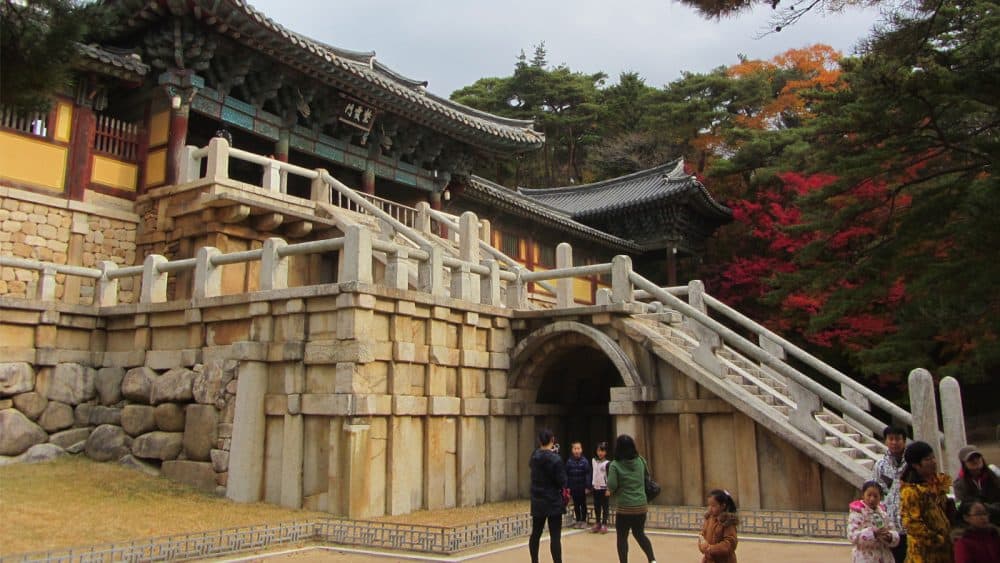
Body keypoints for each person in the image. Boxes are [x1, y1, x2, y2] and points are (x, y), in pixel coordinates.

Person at [899, 440, 953, 562]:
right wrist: (937, 539)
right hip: (924, 554)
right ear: (916, 465)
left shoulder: (938, 484)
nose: (933, 462)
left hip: (945, 552)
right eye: (928, 460)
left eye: (933, 458)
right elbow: (912, 523)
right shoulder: (910, 491)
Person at [607, 434, 657, 563]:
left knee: (622, 538)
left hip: (624, 508)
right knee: (639, 534)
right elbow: (647, 476)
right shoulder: (641, 460)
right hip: (641, 506)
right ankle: (652, 559)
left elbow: (612, 486)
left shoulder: (615, 465)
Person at [529, 429, 566, 563]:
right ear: (552, 440)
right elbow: (562, 481)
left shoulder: (534, 456)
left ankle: (534, 560)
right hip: (553, 500)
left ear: (540, 441)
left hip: (537, 498)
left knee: (536, 534)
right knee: (555, 536)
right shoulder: (556, 459)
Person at [872, 426, 908, 563]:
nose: (894, 442)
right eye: (891, 439)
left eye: (898, 439)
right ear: (886, 441)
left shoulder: (911, 464)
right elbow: (875, 491)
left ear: (904, 441)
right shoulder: (880, 465)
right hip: (890, 525)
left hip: (910, 523)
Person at [848, 480, 900, 562]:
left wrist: (889, 536)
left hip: (884, 557)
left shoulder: (883, 514)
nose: (872, 499)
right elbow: (852, 537)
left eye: (875, 496)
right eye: (869, 495)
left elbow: (893, 532)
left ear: (880, 497)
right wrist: (873, 533)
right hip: (865, 558)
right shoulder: (857, 513)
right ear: (863, 495)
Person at [953, 446, 1000, 527]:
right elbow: (961, 507)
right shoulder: (959, 485)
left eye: (977, 457)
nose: (975, 460)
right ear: (964, 463)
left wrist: (986, 508)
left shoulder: (995, 476)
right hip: (975, 527)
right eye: (970, 459)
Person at [699, 489, 739, 563]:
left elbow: (730, 543)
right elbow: (702, 535)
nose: (710, 508)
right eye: (709, 505)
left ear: (723, 506)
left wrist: (711, 548)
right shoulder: (709, 519)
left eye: (713, 506)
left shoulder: (727, 522)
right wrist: (702, 545)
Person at [565, 441, 592, 529]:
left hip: (582, 487)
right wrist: (567, 486)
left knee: (583, 504)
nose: (576, 450)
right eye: (575, 448)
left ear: (581, 450)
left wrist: (588, 486)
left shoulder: (585, 462)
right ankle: (578, 520)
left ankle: (584, 520)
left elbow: (588, 474)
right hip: (573, 487)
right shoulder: (569, 462)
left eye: (578, 448)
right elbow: (567, 474)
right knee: (576, 505)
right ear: (572, 450)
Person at [591, 441, 611, 534]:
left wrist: (609, 488)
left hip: (604, 488)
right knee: (596, 506)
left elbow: (609, 477)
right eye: (599, 451)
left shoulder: (608, 463)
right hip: (596, 487)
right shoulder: (594, 461)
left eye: (602, 451)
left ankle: (604, 523)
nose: (600, 453)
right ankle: (598, 522)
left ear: (606, 452)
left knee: (605, 506)